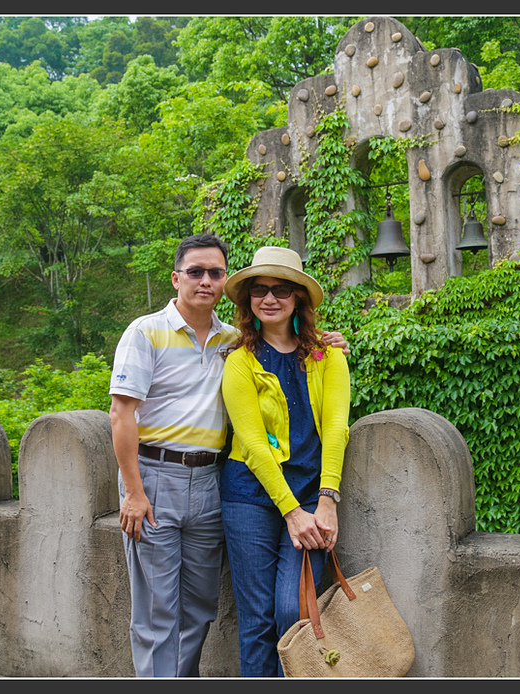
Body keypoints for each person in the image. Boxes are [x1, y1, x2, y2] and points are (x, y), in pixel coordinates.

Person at [109, 235, 347, 678]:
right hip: (161, 479)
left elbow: (330, 414)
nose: (205, 281)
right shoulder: (151, 333)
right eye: (195, 272)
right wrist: (133, 492)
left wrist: (326, 340)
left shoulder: (230, 339)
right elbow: (121, 414)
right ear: (176, 277)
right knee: (159, 611)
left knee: (200, 608)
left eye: (215, 273)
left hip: (209, 484)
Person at [219, 246, 350, 678]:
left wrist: (326, 500)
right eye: (259, 290)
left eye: (281, 290)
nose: (269, 298)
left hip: (311, 496)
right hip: (251, 497)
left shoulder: (328, 356)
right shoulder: (239, 362)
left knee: (293, 609)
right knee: (256, 620)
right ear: (248, 301)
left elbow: (335, 428)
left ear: (298, 299)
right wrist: (290, 511)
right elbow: (253, 444)